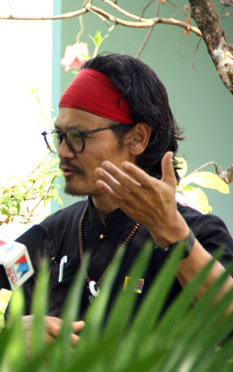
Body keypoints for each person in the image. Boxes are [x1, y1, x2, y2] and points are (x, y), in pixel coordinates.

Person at [19, 53, 233, 345]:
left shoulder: (199, 232)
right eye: (59, 136)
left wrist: (172, 234)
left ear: (137, 138)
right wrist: (16, 338)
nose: (63, 152)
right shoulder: (49, 235)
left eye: (78, 136)